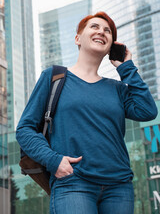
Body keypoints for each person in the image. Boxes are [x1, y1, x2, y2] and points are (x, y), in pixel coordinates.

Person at [16, 12, 158, 214]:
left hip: (119, 187)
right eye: (94, 26)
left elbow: (147, 111)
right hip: (73, 183)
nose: (101, 31)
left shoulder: (117, 88)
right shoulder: (54, 77)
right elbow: (25, 129)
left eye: (107, 31)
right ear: (77, 39)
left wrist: (127, 68)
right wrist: (54, 160)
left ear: (110, 46)